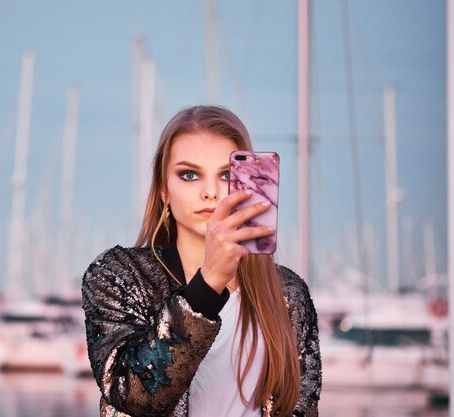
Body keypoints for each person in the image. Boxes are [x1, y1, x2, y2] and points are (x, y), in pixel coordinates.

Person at [82, 105, 321, 417]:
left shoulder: (288, 292)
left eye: (225, 175)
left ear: (248, 186)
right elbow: (134, 394)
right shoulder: (119, 276)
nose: (210, 192)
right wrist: (208, 284)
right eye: (189, 175)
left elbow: (302, 407)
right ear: (164, 190)